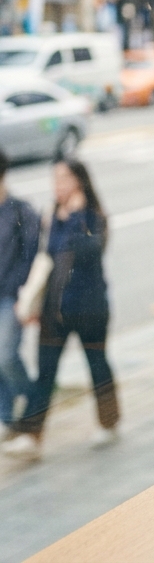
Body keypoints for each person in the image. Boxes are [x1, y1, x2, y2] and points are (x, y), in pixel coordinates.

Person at [3, 160, 118, 459]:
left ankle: (109, 421)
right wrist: (33, 302)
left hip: (90, 307)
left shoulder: (92, 216)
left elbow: (90, 251)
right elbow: (46, 260)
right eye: (55, 178)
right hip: (55, 310)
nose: (58, 185)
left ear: (79, 181)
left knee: (97, 364)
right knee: (46, 372)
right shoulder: (52, 214)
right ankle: (31, 436)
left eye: (64, 178)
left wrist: (76, 215)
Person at [0, 150, 40, 434]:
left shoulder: (20, 210)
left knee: (6, 355)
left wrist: (18, 292)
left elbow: (31, 255)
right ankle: (6, 416)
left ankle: (33, 399)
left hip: (10, 297)